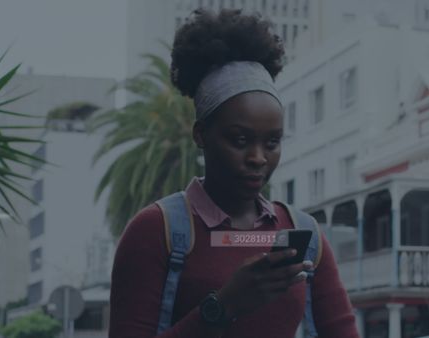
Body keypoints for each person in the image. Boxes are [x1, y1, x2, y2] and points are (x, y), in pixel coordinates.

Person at [109, 8, 360, 338]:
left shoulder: (305, 235)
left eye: (272, 142)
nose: (258, 157)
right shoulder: (155, 231)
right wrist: (223, 307)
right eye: (239, 139)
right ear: (201, 134)